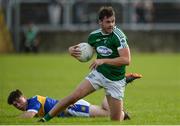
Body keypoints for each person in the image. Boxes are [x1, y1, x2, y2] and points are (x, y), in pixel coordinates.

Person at [39, 6, 132, 122]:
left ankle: (122, 114)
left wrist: (103, 60)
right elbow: (86, 52)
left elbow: (126, 60)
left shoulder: (119, 36)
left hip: (116, 80)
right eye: (108, 22)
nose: (111, 24)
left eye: (113, 21)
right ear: (100, 22)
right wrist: (71, 50)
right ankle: (45, 119)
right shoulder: (94, 36)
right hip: (99, 73)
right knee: (74, 96)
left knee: (115, 120)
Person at [8, 74, 142, 118]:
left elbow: (30, 115)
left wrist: (15, 119)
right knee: (107, 112)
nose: (18, 105)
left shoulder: (33, 101)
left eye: (18, 101)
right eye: (15, 105)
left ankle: (119, 83)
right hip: (71, 108)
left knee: (108, 114)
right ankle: (117, 87)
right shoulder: (30, 103)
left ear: (23, 96)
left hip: (72, 108)